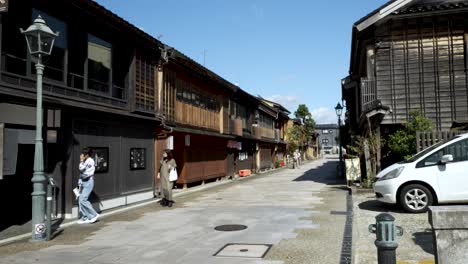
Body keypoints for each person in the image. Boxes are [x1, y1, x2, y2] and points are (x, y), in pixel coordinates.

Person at [77, 148, 99, 224]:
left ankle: (93, 215)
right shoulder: (86, 160)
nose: (82, 155)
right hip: (84, 181)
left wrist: (81, 160)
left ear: (87, 155)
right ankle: (85, 217)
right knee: (81, 200)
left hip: (89, 181)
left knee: (83, 199)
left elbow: (81, 168)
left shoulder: (90, 161)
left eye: (83, 154)